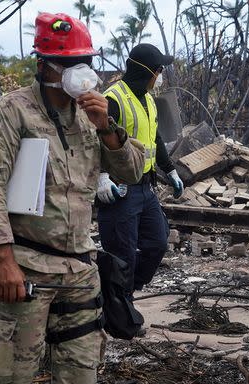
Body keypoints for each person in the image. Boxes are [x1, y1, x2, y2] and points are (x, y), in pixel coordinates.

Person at [0, 13, 145, 384]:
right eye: (71, 63)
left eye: (86, 61)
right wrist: (2, 259)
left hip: (79, 271)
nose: (82, 72)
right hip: (25, 271)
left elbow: (133, 172)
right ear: (44, 65)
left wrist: (108, 129)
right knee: (7, 381)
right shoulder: (10, 114)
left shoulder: (91, 116)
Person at [97, 43, 183, 296]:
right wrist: (101, 177)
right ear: (148, 72)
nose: (160, 76)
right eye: (159, 70)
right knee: (122, 255)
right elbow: (94, 141)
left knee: (157, 243)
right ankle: (121, 310)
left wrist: (170, 169)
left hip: (146, 187)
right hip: (119, 189)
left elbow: (153, 137)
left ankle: (123, 292)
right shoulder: (112, 99)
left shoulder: (148, 100)